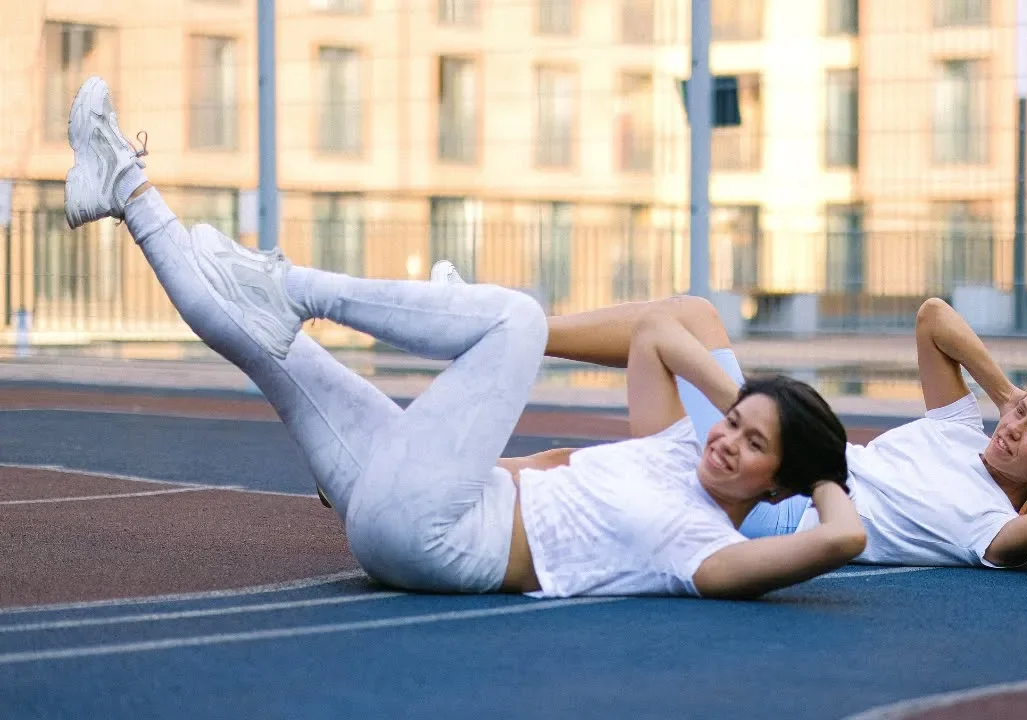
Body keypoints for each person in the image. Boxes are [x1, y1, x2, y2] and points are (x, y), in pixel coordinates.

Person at [64, 76, 865, 599]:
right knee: (268, 345)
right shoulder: (670, 449)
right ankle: (125, 188)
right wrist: (746, 397)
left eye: (752, 446)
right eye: (733, 425)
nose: (724, 439)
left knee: (519, 319)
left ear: (778, 485)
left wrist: (820, 470)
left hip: (439, 537)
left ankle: (297, 288)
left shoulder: (709, 552)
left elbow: (845, 537)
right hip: (415, 499)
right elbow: (658, 333)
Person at [448, 279, 1027, 572]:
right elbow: (933, 317)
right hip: (782, 463)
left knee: (688, 321)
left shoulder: (990, 530)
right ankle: (504, 339)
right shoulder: (960, 430)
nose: (1013, 427)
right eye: (1021, 412)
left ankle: (505, 330)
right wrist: (1005, 392)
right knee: (567, 464)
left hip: (779, 508)